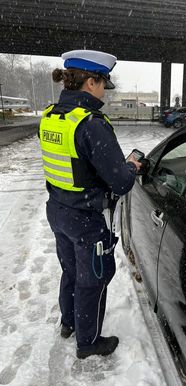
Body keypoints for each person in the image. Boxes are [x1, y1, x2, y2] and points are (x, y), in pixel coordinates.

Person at [38, 49, 141, 359]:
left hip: (58, 210)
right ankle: (89, 342)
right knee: (93, 281)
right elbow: (120, 182)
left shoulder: (51, 114)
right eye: (102, 85)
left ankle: (68, 323)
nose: (104, 94)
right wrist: (133, 166)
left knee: (70, 271)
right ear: (91, 82)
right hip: (86, 218)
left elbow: (73, 163)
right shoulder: (91, 123)